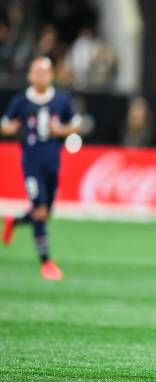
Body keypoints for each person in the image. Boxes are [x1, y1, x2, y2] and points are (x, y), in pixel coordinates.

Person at [1, 57, 81, 280]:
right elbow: (5, 124)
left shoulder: (61, 100)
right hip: (31, 162)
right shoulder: (21, 101)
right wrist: (11, 128)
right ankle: (46, 263)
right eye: (36, 72)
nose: (41, 76)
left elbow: (76, 124)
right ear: (29, 75)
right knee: (39, 210)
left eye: (45, 72)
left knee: (45, 214)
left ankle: (14, 221)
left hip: (52, 163)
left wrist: (61, 130)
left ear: (51, 75)